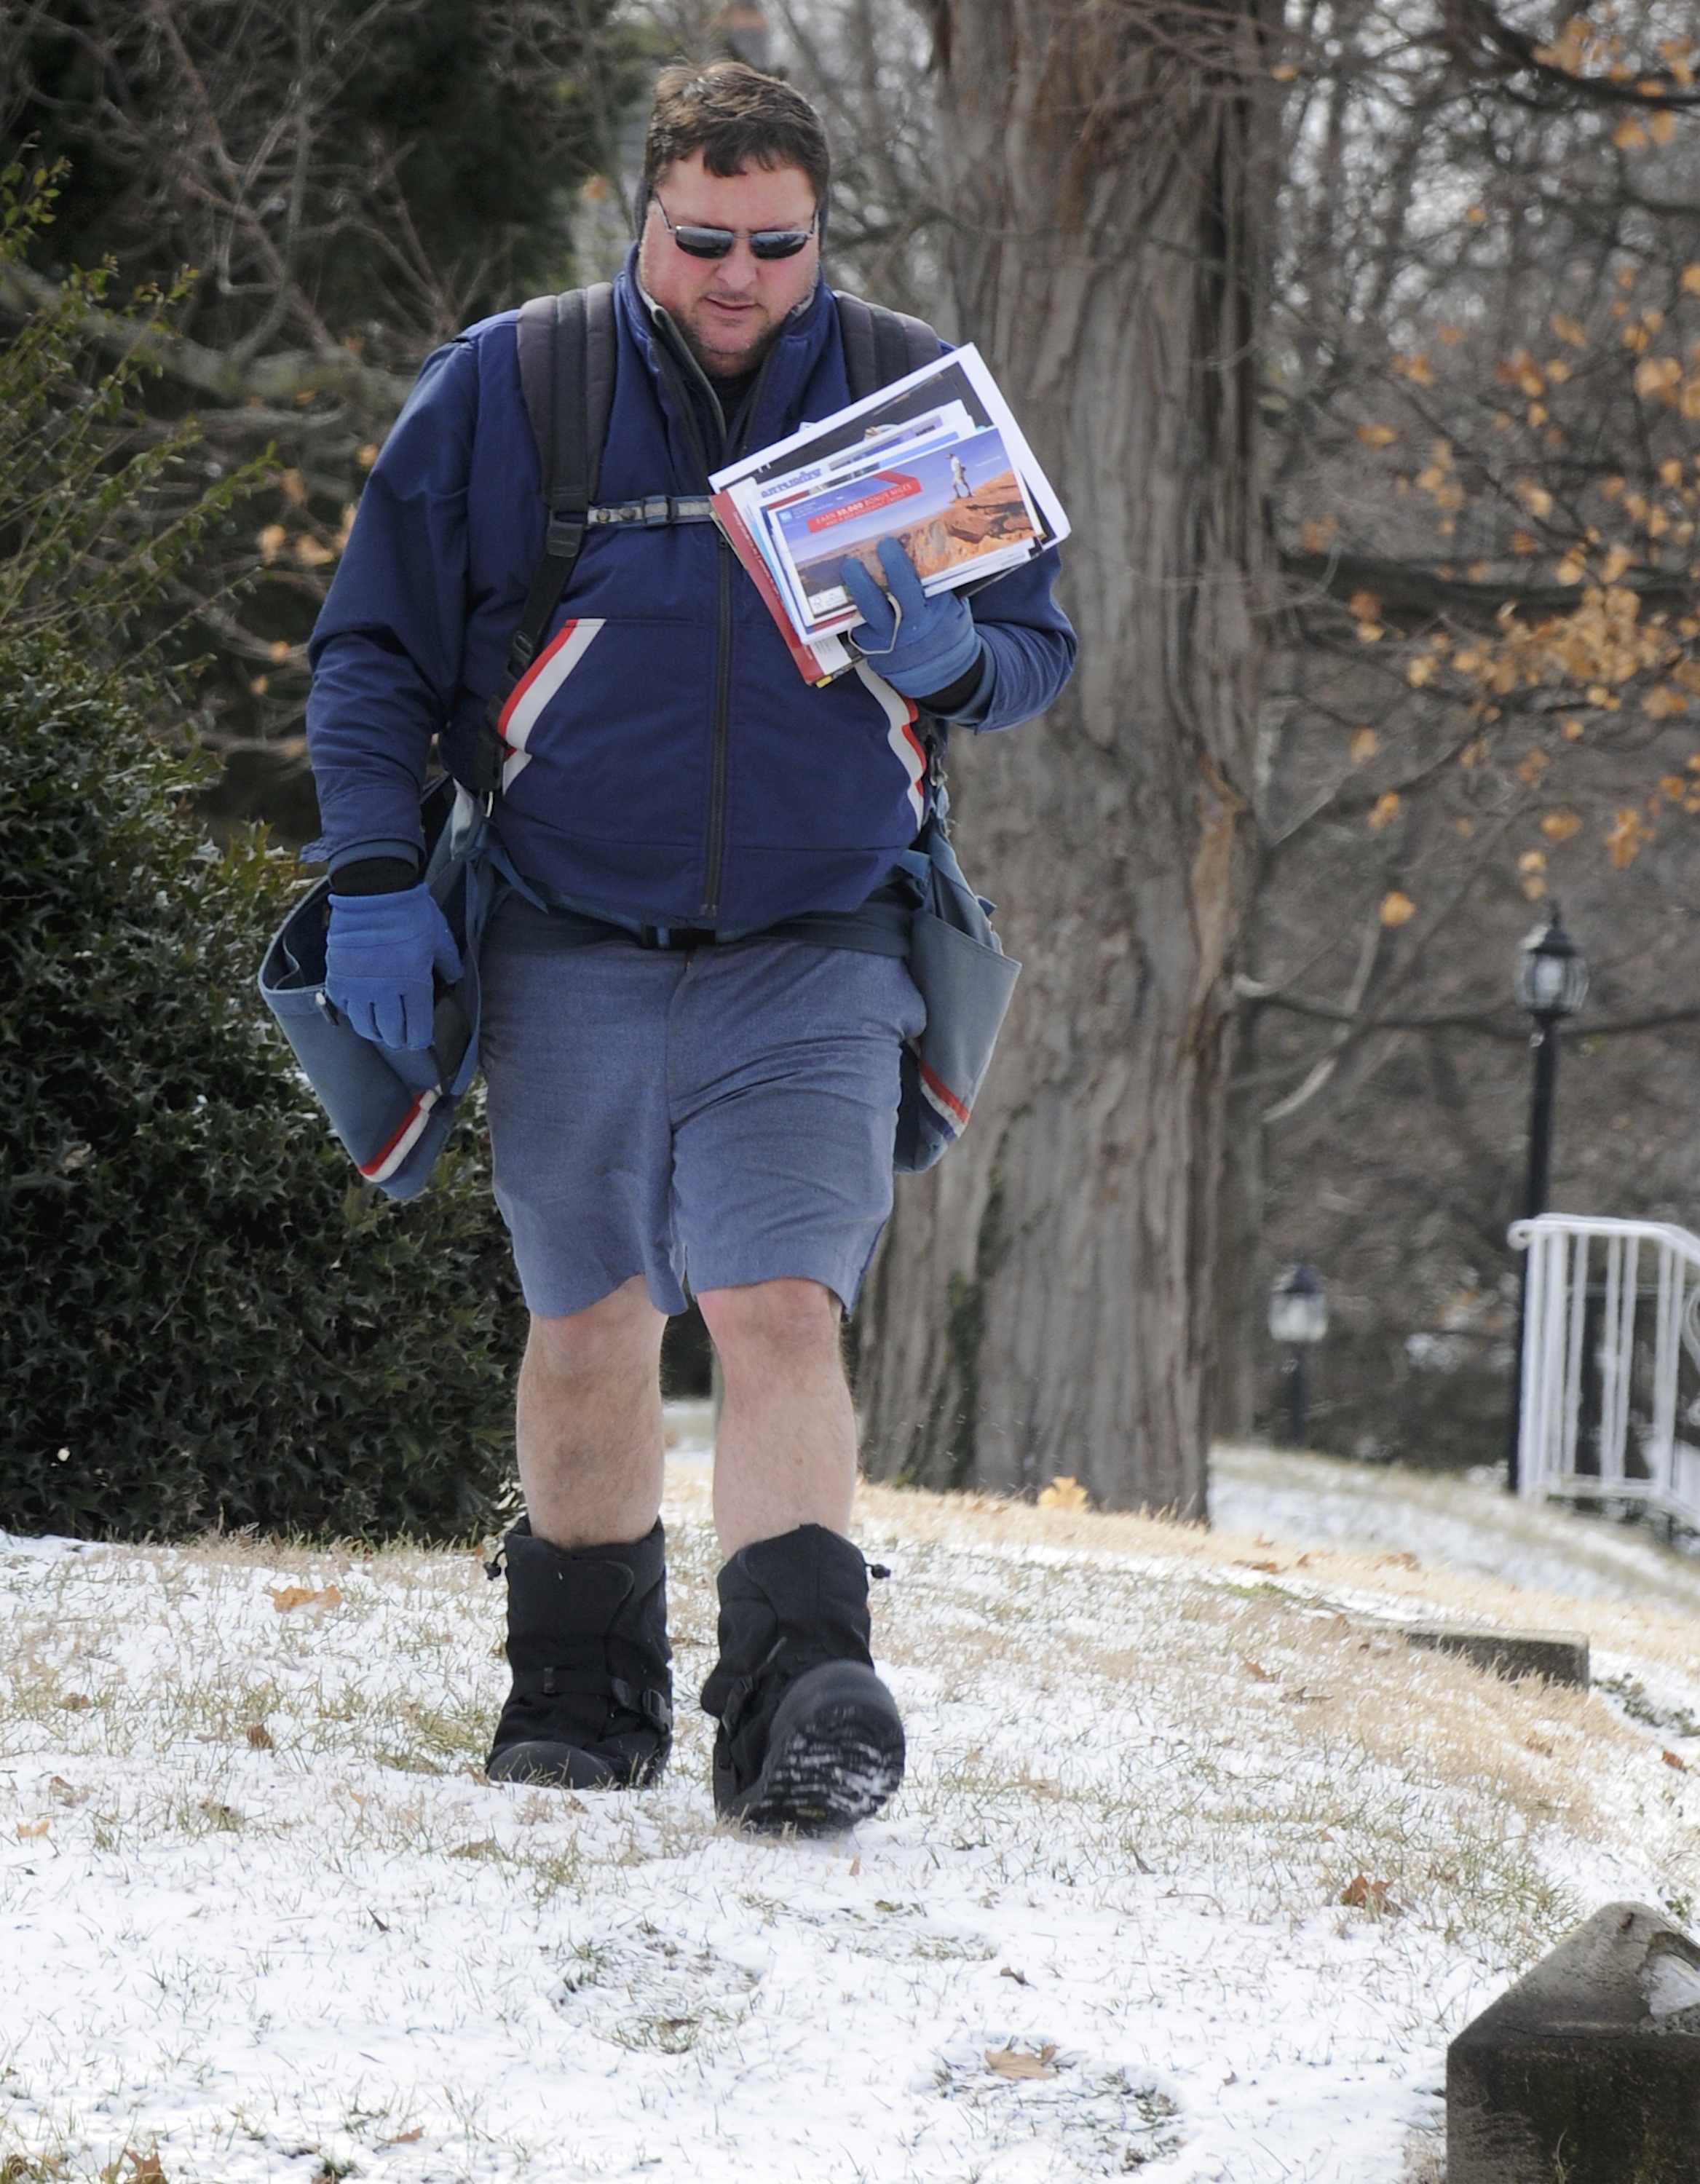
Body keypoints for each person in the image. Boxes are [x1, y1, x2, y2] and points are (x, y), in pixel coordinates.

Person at [305, 61, 1075, 1833]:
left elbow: (1036, 653)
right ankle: (581, 1692)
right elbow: (371, 653)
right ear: (642, 221)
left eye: (774, 246)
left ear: (820, 239)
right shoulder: (514, 386)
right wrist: (369, 875)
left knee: (775, 1301)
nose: (737, 277)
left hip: (819, 944)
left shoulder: (907, 405)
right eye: (701, 241)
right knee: (587, 1324)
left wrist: (948, 659)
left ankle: (802, 1691)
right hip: (568, 936)